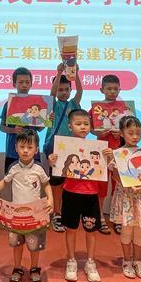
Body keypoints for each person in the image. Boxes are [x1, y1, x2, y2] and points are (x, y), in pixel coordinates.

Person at [48, 108, 110, 282]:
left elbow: (107, 167)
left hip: (91, 195)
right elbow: (57, 171)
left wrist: (109, 157)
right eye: (78, 124)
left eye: (86, 124)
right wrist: (53, 162)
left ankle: (90, 262)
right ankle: (71, 261)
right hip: (70, 194)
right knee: (71, 229)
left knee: (91, 231)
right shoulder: (64, 146)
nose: (83, 127)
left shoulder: (98, 148)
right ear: (70, 126)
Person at [0, 129, 53, 282]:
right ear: (16, 148)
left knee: (34, 244)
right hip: (16, 215)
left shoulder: (39, 168)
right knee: (17, 243)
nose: (25, 151)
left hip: (35, 214)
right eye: (22, 147)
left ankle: (34, 269)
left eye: (30, 147)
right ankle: (17, 268)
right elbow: (5, 181)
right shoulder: (13, 167)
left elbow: (46, 184)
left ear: (36, 149)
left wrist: (50, 199)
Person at [108, 116, 141, 279]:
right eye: (130, 133)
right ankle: (127, 261)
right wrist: (124, 180)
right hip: (127, 198)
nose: (135, 136)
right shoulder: (117, 154)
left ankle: (137, 261)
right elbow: (115, 175)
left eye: (138, 133)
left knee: (140, 231)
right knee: (127, 230)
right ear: (122, 133)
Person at [44, 64, 82, 232]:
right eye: (61, 90)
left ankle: (67, 213)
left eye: (66, 89)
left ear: (70, 90)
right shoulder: (53, 105)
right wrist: (59, 72)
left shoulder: (74, 104)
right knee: (56, 183)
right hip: (55, 148)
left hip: (72, 148)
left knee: (70, 182)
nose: (63, 92)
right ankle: (56, 213)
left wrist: (76, 73)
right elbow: (51, 94)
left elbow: (80, 91)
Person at [93, 74, 125, 235]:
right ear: (102, 90)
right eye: (109, 89)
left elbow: (132, 128)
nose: (112, 91)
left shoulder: (125, 108)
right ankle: (99, 216)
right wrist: (97, 132)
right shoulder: (96, 108)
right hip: (101, 151)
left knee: (118, 186)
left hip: (120, 151)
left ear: (120, 89)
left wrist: (122, 133)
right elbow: (91, 127)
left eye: (115, 89)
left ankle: (117, 218)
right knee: (101, 186)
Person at [0, 67, 44, 172]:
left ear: (31, 84)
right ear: (14, 84)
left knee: (34, 179)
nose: (24, 85)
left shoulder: (36, 105)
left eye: (27, 82)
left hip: (32, 151)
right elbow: (1, 127)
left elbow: (40, 129)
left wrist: (47, 121)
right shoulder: (9, 104)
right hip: (13, 151)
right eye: (20, 82)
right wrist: (13, 130)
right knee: (12, 179)